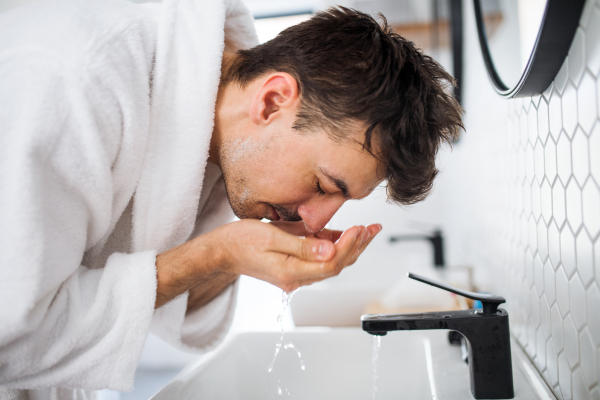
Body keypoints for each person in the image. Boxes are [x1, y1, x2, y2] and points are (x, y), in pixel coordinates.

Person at [0, 0, 463, 397]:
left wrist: (234, 257)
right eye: (324, 186)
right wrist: (216, 252)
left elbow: (168, 311)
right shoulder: (75, 81)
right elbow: (11, 330)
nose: (312, 219)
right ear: (273, 101)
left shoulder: (217, 134)